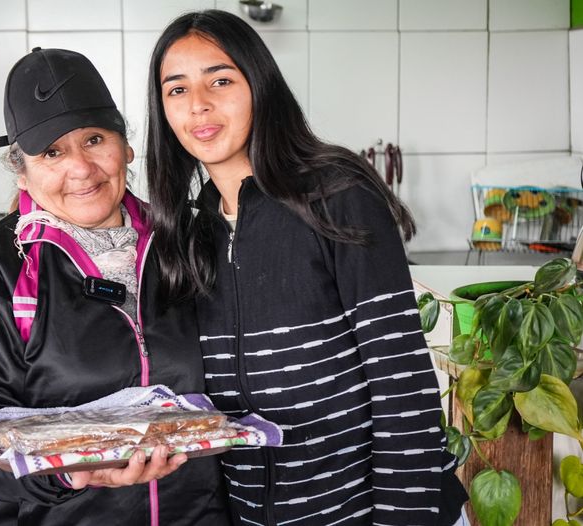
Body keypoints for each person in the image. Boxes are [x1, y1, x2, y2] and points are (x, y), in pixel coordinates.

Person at [145, 10, 469, 526]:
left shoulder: (333, 194)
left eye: (221, 81)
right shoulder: (186, 235)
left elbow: (401, 379)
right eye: (176, 90)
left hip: (377, 512)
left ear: (260, 86)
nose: (199, 105)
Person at [0, 47, 231, 526]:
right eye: (52, 152)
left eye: (94, 139)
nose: (81, 169)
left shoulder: (185, 242)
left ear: (125, 147)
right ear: (22, 170)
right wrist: (67, 474)